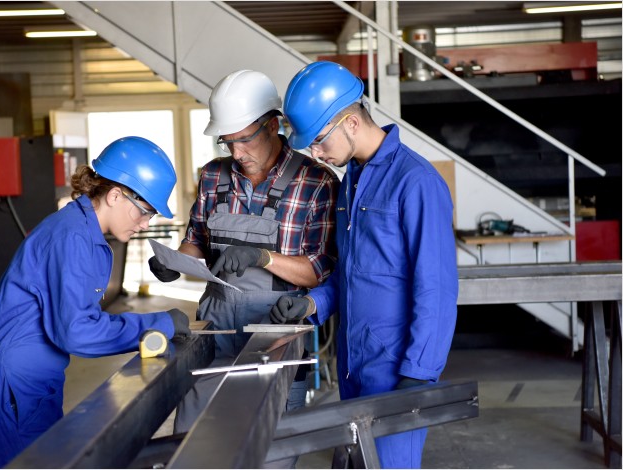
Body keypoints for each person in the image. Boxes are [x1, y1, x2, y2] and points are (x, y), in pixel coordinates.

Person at [270, 61, 458, 469]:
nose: (316, 154)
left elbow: (437, 289)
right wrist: (313, 304)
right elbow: (354, 271)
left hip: (396, 370)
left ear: (351, 123)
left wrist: (418, 373)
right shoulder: (352, 182)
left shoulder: (416, 182)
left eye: (318, 141)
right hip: (354, 365)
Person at [0, 136, 191, 469]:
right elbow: (77, 332)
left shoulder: (85, 233)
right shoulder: (72, 236)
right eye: (146, 212)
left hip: (35, 386)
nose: (146, 223)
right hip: (10, 393)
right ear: (115, 195)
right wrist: (158, 323)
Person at [148, 70, 340, 438]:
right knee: (193, 442)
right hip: (214, 332)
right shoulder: (212, 176)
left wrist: (261, 257)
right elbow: (197, 242)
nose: (236, 153)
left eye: (244, 140)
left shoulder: (317, 182)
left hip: (276, 333)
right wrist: (172, 262)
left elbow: (320, 269)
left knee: (271, 446)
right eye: (227, 142)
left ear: (273, 126)